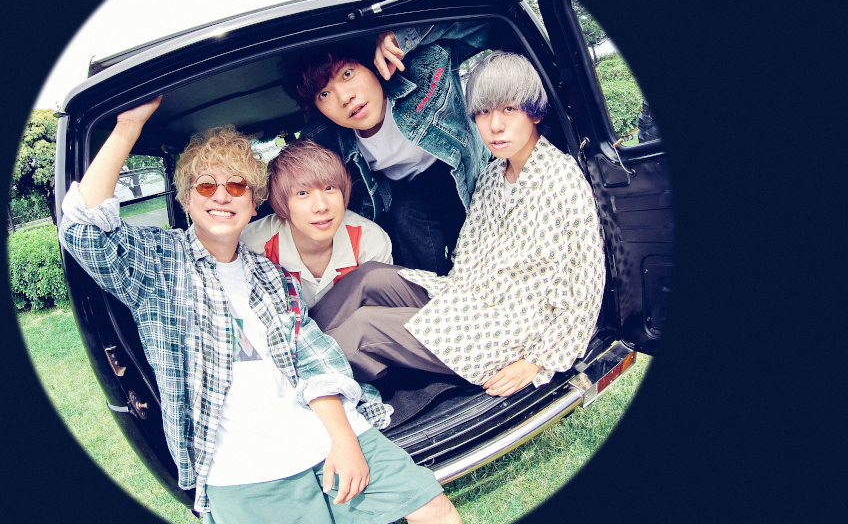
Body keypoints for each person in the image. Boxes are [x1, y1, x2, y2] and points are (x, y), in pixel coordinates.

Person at [57, 96, 460, 524]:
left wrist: (344, 439)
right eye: (206, 186)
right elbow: (82, 230)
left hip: (323, 432)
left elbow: (312, 356)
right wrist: (128, 128)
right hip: (244, 468)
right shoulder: (159, 264)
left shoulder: (271, 274)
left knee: (433, 509)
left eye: (236, 186)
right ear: (187, 200)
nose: (221, 195)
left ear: (254, 205)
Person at [310, 51, 606, 398]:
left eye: (509, 109)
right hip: (468, 300)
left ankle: (294, 386)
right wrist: (449, 298)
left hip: (509, 332)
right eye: (483, 112)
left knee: (363, 329)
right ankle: (295, 343)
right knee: (369, 277)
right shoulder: (493, 175)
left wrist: (537, 361)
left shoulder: (561, 180)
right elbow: (468, 255)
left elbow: (586, 286)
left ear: (535, 112)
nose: (495, 126)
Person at [284, 22, 491, 276]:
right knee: (405, 215)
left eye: (347, 74)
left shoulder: (422, 68)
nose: (344, 98)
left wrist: (404, 37)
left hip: (465, 169)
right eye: (324, 95)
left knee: (476, 254)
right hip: (409, 195)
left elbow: (486, 25)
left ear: (370, 66)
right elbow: (290, 181)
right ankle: (433, 291)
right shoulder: (324, 142)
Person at [241, 139, 393, 309]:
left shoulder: (369, 240)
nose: (321, 206)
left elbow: (383, 312)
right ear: (281, 204)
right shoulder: (251, 245)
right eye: (302, 193)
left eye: (329, 188)